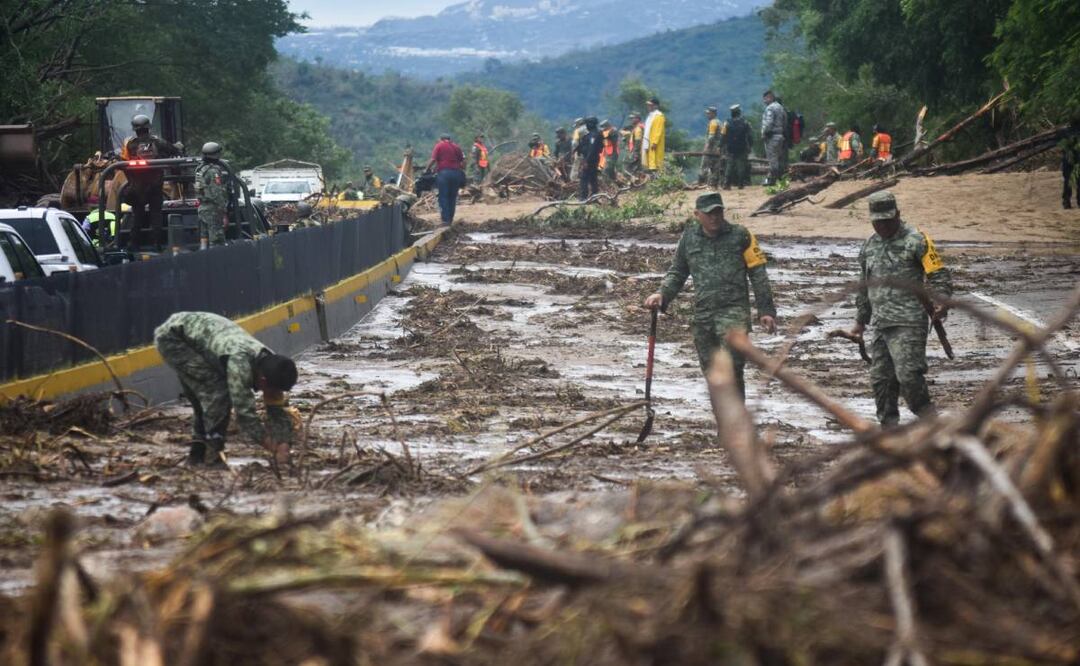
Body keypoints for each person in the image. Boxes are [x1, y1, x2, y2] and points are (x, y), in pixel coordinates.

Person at [644, 192, 777, 399]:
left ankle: (736, 425)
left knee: (733, 369)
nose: (715, 217)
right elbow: (678, 272)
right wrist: (662, 295)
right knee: (713, 374)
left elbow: (758, 274)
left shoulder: (741, 235)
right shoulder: (689, 238)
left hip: (734, 314)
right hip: (704, 316)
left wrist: (766, 311)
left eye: (718, 212)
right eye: (709, 214)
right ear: (697, 214)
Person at [849, 191, 953, 427]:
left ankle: (931, 423)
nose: (883, 226)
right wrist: (860, 322)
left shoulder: (917, 240)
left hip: (909, 323)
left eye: (888, 220)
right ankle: (889, 432)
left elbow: (939, 275)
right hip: (881, 324)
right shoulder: (869, 246)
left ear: (898, 214)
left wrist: (941, 302)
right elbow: (864, 286)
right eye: (878, 221)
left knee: (909, 377)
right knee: (881, 381)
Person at [154, 311, 298, 467]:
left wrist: (284, 443)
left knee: (203, 398)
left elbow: (277, 410)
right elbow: (245, 415)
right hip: (174, 339)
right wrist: (271, 446)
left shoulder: (272, 366)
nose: (274, 395)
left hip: (199, 336)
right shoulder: (240, 364)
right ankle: (212, 456)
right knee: (218, 393)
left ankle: (196, 454)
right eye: (273, 391)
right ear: (263, 381)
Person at [121, 114, 181, 250]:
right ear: (148, 127)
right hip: (155, 185)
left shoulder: (131, 144)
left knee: (137, 216)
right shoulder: (158, 142)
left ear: (135, 129)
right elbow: (173, 150)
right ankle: (157, 244)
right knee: (156, 215)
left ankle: (133, 244)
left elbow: (124, 159)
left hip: (137, 186)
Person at [193, 142, 228, 249]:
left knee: (204, 239)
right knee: (217, 241)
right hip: (213, 210)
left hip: (202, 208)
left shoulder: (200, 169)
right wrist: (223, 212)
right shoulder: (213, 171)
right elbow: (217, 193)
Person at [426, 134, 466, 226]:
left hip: (444, 174)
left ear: (441, 139)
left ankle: (445, 220)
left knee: (443, 196)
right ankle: (450, 219)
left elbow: (433, 159)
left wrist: (427, 169)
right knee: (452, 197)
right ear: (449, 139)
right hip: (456, 173)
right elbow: (463, 161)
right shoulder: (456, 147)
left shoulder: (439, 145)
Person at [723, 105, 753, 190]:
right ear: (739, 112)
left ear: (731, 113)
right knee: (741, 166)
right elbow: (750, 136)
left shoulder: (727, 123)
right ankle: (740, 184)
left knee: (729, 165)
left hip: (730, 148)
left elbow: (723, 135)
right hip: (742, 147)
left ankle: (726, 184)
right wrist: (750, 145)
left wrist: (721, 146)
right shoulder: (745, 122)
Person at [760, 90, 787, 186]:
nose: (764, 101)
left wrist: (764, 133)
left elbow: (769, 123)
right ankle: (781, 179)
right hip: (780, 135)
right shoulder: (780, 107)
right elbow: (785, 121)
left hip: (772, 136)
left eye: (765, 98)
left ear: (770, 97)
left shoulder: (770, 108)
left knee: (772, 160)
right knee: (778, 158)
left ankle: (772, 180)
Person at [576, 117, 603, 200]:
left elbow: (592, 149)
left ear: (591, 124)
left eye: (586, 124)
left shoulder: (594, 134)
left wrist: (586, 161)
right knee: (592, 178)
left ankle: (583, 197)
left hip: (591, 159)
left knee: (584, 178)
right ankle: (594, 196)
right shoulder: (590, 133)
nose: (585, 126)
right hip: (589, 158)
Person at [700, 106, 723, 187]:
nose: (707, 115)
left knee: (704, 166)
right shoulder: (719, 122)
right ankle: (715, 184)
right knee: (716, 167)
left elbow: (711, 136)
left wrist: (707, 147)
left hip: (711, 149)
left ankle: (702, 183)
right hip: (718, 148)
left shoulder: (713, 122)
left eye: (709, 113)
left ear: (713, 114)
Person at [642, 98, 666, 172]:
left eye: (650, 105)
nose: (648, 107)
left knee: (656, 162)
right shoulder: (650, 116)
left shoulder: (659, 116)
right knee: (650, 161)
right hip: (648, 141)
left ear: (655, 106)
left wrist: (655, 142)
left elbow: (658, 131)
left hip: (654, 143)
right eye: (648, 105)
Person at [1061, 130, 1080, 209]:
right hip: (1071, 160)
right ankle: (1067, 201)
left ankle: (1066, 201)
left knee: (1069, 181)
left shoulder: (1065, 132)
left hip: (1069, 160)